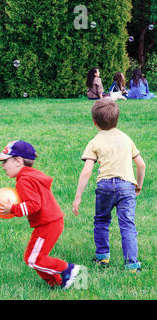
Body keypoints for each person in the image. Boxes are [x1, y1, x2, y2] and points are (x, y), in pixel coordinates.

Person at [0, 140, 85, 289]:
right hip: (52, 222)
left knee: (33, 259)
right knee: (33, 257)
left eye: (5, 161)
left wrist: (13, 209)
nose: (2, 165)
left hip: (47, 224)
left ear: (18, 161)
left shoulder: (23, 180)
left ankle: (69, 269)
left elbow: (34, 205)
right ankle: (56, 283)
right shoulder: (31, 175)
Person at [72, 100, 145, 272]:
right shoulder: (126, 139)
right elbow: (141, 164)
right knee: (127, 224)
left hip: (104, 186)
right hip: (127, 186)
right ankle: (132, 265)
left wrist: (78, 197)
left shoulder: (94, 142)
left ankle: (103, 257)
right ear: (117, 119)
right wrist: (138, 185)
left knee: (101, 221)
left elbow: (86, 171)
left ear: (94, 121)